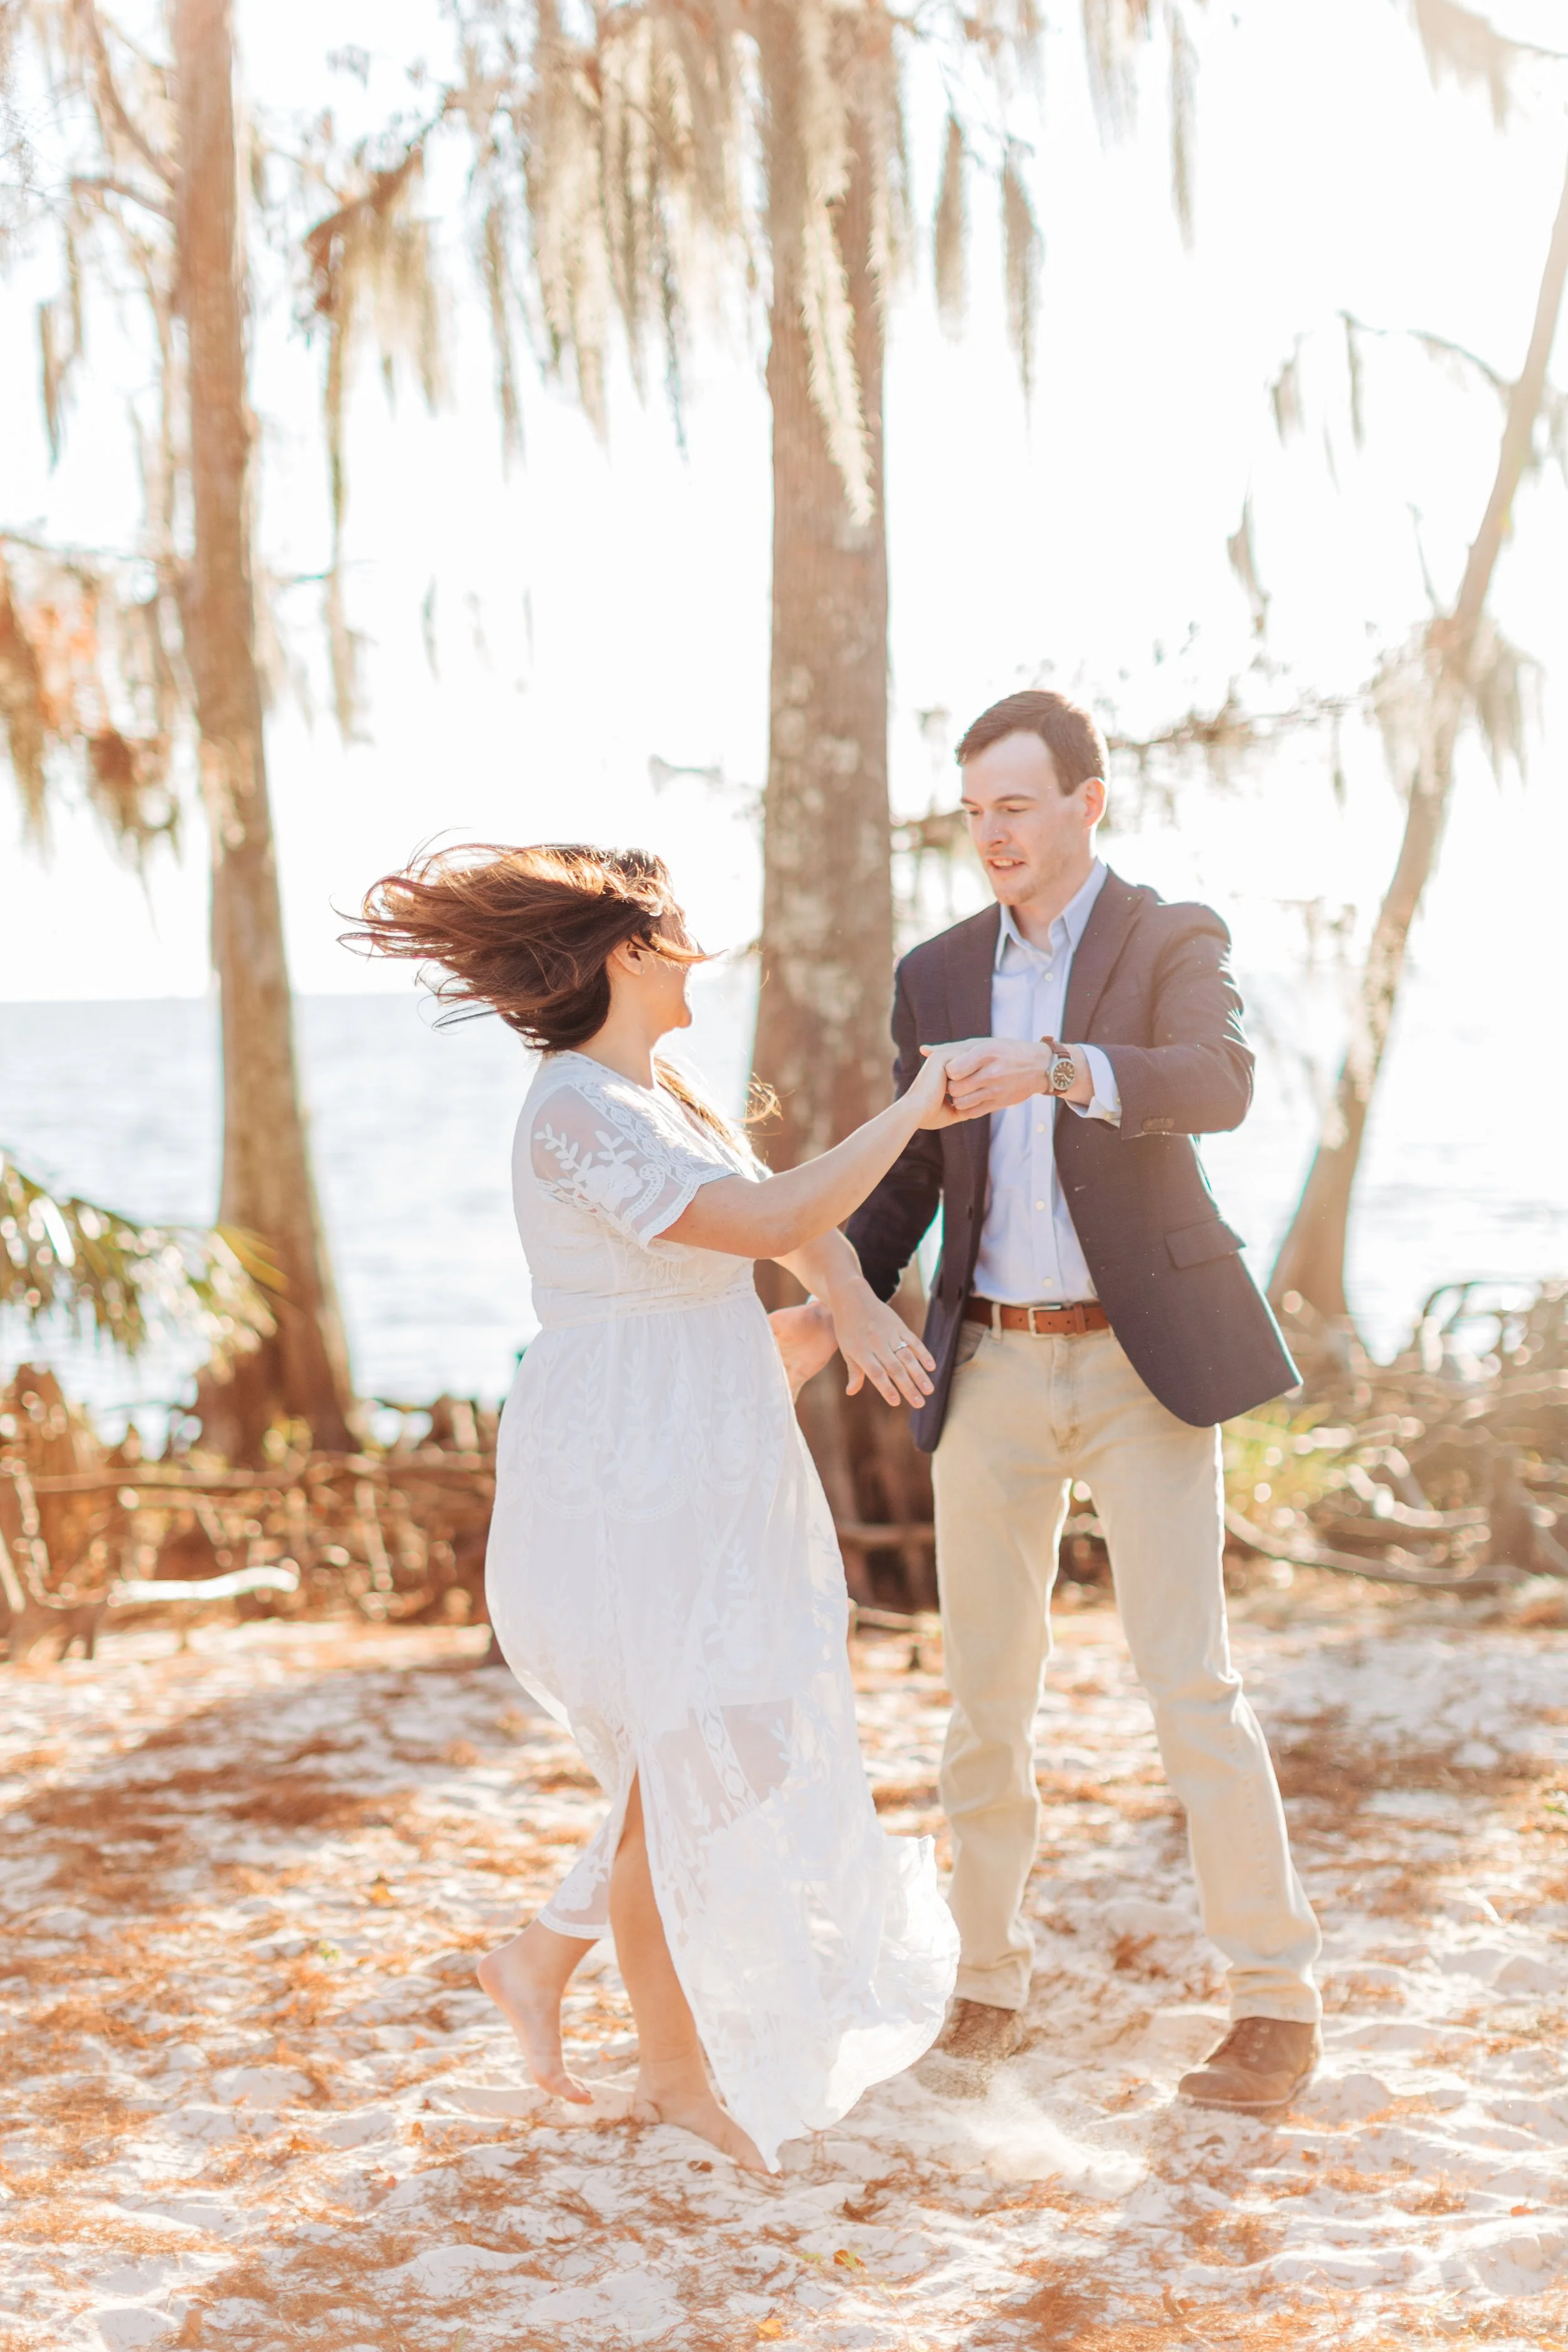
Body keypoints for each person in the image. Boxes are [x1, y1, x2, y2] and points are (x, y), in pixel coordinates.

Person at [347, 842, 968, 2174]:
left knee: (725, 1745)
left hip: (706, 1442)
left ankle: (543, 1959)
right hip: (625, 1463)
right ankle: (669, 2075)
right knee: (689, 1757)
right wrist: (913, 1109)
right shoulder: (573, 1112)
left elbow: (788, 1227)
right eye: (680, 932)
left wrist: (848, 1307)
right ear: (630, 953)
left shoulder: (656, 1091)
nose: (703, 953)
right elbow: (764, 1214)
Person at [834, 690, 1324, 2113]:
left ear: (1084, 802)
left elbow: (1219, 1082)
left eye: (1016, 805)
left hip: (1138, 1365)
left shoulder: (1170, 937)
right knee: (984, 1702)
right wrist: (835, 1298)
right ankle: (983, 1985)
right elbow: (913, 1171)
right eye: (972, 810)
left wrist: (1057, 1068)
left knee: (1193, 1688)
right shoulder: (933, 974)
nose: (991, 833)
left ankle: (1272, 2003)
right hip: (986, 1367)